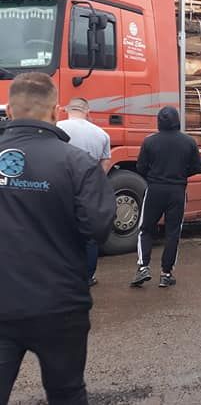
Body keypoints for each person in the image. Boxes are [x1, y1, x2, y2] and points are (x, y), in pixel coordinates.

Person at [0, 72, 115, 404]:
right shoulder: (77, 163)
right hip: (60, 305)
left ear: (9, 111)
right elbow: (98, 228)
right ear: (55, 111)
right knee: (66, 393)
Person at [129, 107, 201, 288]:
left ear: (159, 121)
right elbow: (196, 167)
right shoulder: (189, 142)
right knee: (173, 232)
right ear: (177, 120)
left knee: (146, 229)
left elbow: (141, 167)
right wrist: (180, 175)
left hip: (154, 189)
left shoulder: (149, 142)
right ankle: (166, 273)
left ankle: (143, 267)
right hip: (177, 190)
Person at [57, 97, 111, 287]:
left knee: (61, 232)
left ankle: (64, 274)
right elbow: (105, 163)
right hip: (87, 190)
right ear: (87, 111)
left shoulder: (57, 127)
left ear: (67, 110)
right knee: (88, 235)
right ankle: (88, 276)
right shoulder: (102, 134)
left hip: (61, 187)